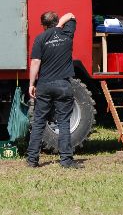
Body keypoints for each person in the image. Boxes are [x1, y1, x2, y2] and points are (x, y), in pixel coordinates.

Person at [27, 11, 83, 169]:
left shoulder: (40, 39)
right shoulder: (67, 34)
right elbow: (72, 15)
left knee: (38, 122)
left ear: (43, 25)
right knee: (64, 123)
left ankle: (32, 160)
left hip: (44, 84)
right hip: (63, 85)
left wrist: (32, 84)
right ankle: (66, 160)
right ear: (58, 21)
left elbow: (35, 62)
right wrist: (58, 27)